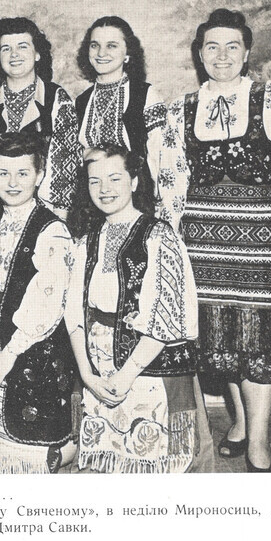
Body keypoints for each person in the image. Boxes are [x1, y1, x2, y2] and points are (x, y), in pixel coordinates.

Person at [163, 9, 271, 471]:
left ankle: (259, 442)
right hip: (202, 237)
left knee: (257, 338)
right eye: (212, 46)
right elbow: (171, 175)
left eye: (232, 46)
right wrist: (169, 239)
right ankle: (242, 423)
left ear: (247, 52)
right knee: (219, 334)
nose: (222, 55)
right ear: (200, 54)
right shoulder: (182, 108)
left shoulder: (270, 97)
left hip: (259, 237)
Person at [66, 145, 211, 473]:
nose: (104, 189)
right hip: (98, 372)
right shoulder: (85, 242)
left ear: (133, 181)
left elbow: (166, 317)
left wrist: (125, 376)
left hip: (146, 370)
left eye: (115, 178)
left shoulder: (160, 237)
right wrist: (87, 376)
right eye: (95, 181)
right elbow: (72, 314)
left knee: (150, 467)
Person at [0, 132, 78, 473]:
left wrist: (10, 352)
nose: (13, 182)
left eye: (23, 173)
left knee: (28, 462)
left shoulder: (52, 230)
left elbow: (47, 304)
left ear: (39, 174)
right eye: (3, 173)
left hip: (31, 355)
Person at [0, 17, 82, 226]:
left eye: (22, 46)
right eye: (6, 48)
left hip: (43, 216)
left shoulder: (56, 99)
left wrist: (58, 230)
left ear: (38, 53)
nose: (14, 55)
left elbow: (64, 174)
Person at [74, 16, 167, 219]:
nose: (101, 53)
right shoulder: (81, 102)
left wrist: (160, 208)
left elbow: (160, 156)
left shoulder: (145, 95)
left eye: (112, 46)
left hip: (138, 204)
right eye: (95, 45)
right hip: (92, 206)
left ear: (127, 53)